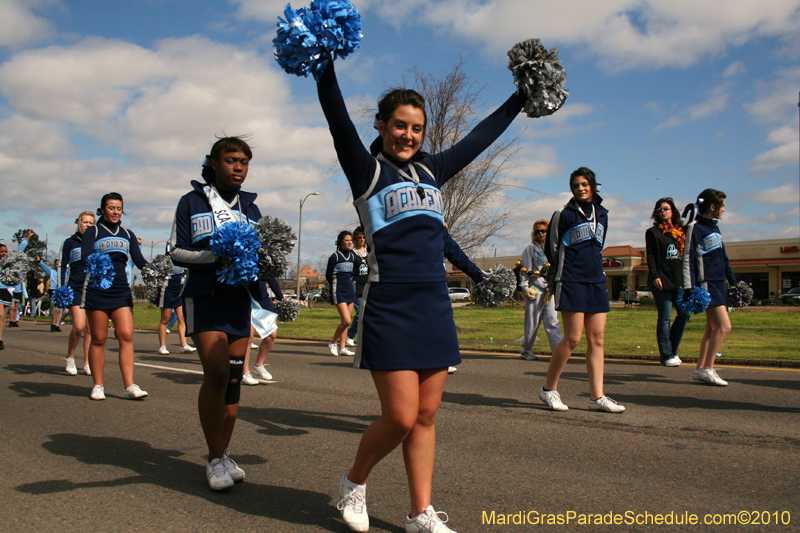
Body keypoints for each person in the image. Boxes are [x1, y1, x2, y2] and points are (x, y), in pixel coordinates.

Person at [317, 58, 524, 532]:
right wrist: (323, 64)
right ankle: (354, 481)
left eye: (416, 128)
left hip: (434, 307)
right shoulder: (367, 171)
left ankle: (420, 513)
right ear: (382, 126)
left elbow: (480, 137)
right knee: (400, 416)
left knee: (426, 416)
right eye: (399, 126)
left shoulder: (433, 170)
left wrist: (520, 98)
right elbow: (337, 118)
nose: (408, 136)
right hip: (390, 306)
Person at [171, 136, 262, 490]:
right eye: (230, 160)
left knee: (235, 380)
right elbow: (177, 251)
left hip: (238, 301)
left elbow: (261, 257)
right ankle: (212, 459)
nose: (238, 167)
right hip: (204, 297)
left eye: (244, 162)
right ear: (212, 162)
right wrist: (216, 257)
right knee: (217, 373)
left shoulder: (251, 208)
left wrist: (270, 297)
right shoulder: (192, 202)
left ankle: (224, 454)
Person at [540, 167, 624, 414]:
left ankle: (597, 397)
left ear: (593, 185)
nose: (580, 188)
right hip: (571, 281)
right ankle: (548, 389)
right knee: (573, 338)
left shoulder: (603, 214)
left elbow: (598, 246)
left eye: (585, 184)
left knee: (597, 339)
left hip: (596, 281)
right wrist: (565, 272)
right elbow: (552, 250)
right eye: (576, 185)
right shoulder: (563, 215)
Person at [81, 193, 149, 401]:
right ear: (102, 210)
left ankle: (129, 385)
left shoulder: (128, 234)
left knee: (126, 335)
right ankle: (98, 385)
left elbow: (139, 261)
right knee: (99, 338)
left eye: (119, 208)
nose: (115, 212)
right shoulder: (93, 231)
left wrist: (157, 270)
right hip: (98, 289)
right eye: (111, 208)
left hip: (121, 289)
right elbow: (85, 258)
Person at [683, 189, 735, 386]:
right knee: (724, 327)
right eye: (722, 206)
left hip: (719, 283)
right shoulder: (694, 227)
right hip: (707, 284)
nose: (724, 210)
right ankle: (708, 368)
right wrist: (689, 287)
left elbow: (723, 258)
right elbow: (688, 258)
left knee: (712, 328)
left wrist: (733, 281)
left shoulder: (715, 228)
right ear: (713, 206)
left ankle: (700, 369)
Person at [645, 198, 691, 367]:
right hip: (662, 280)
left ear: (672, 211)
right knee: (665, 317)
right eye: (659, 209)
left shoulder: (682, 232)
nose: (663, 211)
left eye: (666, 208)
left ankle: (672, 349)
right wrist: (655, 276)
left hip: (679, 279)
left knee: (685, 314)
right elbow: (650, 256)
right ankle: (666, 355)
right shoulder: (653, 232)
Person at [519, 219, 563, 360]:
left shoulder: (555, 247)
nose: (541, 234)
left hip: (550, 289)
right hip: (535, 289)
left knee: (552, 321)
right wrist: (525, 287)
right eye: (538, 231)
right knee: (532, 321)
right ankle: (526, 350)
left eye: (544, 231)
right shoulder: (531, 248)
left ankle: (558, 352)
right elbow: (525, 269)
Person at [60, 212, 95, 376]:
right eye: (85, 222)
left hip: (92, 288)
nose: (87, 225)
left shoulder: (96, 242)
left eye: (91, 223)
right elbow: (62, 266)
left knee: (89, 329)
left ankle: (87, 362)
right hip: (75, 287)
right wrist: (62, 288)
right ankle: (70, 357)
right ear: (78, 223)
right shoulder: (70, 242)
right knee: (79, 327)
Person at [155, 248, 195, 356]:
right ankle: (162, 346)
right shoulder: (164, 260)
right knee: (165, 319)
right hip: (167, 290)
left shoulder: (181, 259)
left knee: (181, 318)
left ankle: (183, 345)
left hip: (179, 290)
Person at [242, 277, 283, 385]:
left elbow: (271, 278)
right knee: (248, 337)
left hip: (262, 298)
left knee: (272, 334)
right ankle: (244, 372)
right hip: (243, 296)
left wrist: (281, 298)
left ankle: (258, 365)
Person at [0, 230, 33, 349]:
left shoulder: (9, 260)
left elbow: (19, 250)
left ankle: (0, 339)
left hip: (7, 291)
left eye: (5, 251)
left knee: (2, 317)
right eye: (1, 251)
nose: (4, 253)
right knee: (0, 315)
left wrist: (27, 238)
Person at [326, 230, 356, 357]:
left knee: (346, 321)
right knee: (347, 321)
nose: (349, 242)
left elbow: (353, 274)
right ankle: (333, 342)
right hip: (338, 290)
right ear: (340, 242)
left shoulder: (353, 257)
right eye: (346, 240)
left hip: (350, 290)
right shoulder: (335, 257)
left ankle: (342, 347)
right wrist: (335, 285)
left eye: (350, 240)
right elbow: (328, 275)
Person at [345, 227, 368, 348]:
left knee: (368, 313)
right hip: (356, 285)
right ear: (355, 239)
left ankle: (364, 337)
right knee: (360, 313)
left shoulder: (368, 252)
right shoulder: (352, 254)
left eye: (364, 237)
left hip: (367, 284)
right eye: (359, 237)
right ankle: (350, 335)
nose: (362, 239)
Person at [36, 256, 63, 331]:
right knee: (55, 308)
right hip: (53, 290)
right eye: (56, 264)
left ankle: (57, 324)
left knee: (60, 309)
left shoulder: (64, 272)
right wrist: (39, 261)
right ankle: (53, 323)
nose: (58, 266)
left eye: (59, 264)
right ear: (54, 265)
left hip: (61, 290)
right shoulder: (51, 272)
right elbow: (44, 267)